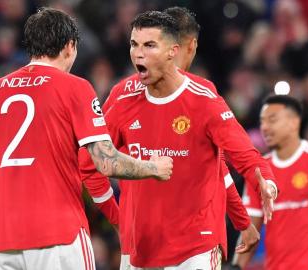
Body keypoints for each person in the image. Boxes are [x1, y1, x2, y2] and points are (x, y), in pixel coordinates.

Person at [0, 8, 173, 270]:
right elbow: (106, 163)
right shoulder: (74, 87)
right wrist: (154, 168)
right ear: (70, 46)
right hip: (58, 236)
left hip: (2, 242)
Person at [82, 10, 277, 270]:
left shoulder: (203, 99)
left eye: (149, 45)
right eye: (134, 44)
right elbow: (88, 162)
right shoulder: (122, 97)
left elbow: (241, 154)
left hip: (194, 246)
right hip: (140, 246)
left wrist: (265, 179)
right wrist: (118, 219)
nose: (138, 54)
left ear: (173, 51)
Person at [233, 95, 308, 270]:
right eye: (262, 122)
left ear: (294, 122)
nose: (265, 127)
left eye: (272, 120)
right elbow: (250, 231)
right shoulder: (258, 171)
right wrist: (237, 267)